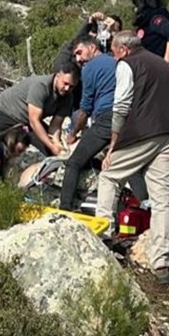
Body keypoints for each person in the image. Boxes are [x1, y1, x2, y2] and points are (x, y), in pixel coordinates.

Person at [95, 31, 169, 285]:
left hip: (144, 132)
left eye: (114, 53)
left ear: (123, 50)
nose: (113, 58)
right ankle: (162, 263)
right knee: (163, 200)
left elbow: (122, 104)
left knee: (109, 176)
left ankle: (102, 235)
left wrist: (113, 144)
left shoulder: (127, 64)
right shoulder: (162, 63)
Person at [58, 35, 117, 210]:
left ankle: (65, 208)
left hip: (106, 119)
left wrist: (73, 133)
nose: (78, 59)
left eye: (79, 52)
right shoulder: (116, 61)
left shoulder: (89, 68)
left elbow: (85, 109)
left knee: (74, 163)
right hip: (127, 119)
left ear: (92, 47)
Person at [0, 61, 79, 156]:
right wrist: (52, 146)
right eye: (65, 83)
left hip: (26, 121)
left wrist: (56, 144)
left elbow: (55, 126)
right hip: (5, 112)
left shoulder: (68, 97)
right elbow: (34, 121)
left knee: (49, 151)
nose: (67, 89)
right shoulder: (41, 86)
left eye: (71, 86)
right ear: (57, 76)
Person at [132, 0, 169, 74]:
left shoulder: (156, 19)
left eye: (136, 6)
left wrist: (164, 64)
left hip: (160, 72)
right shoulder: (145, 22)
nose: (134, 9)